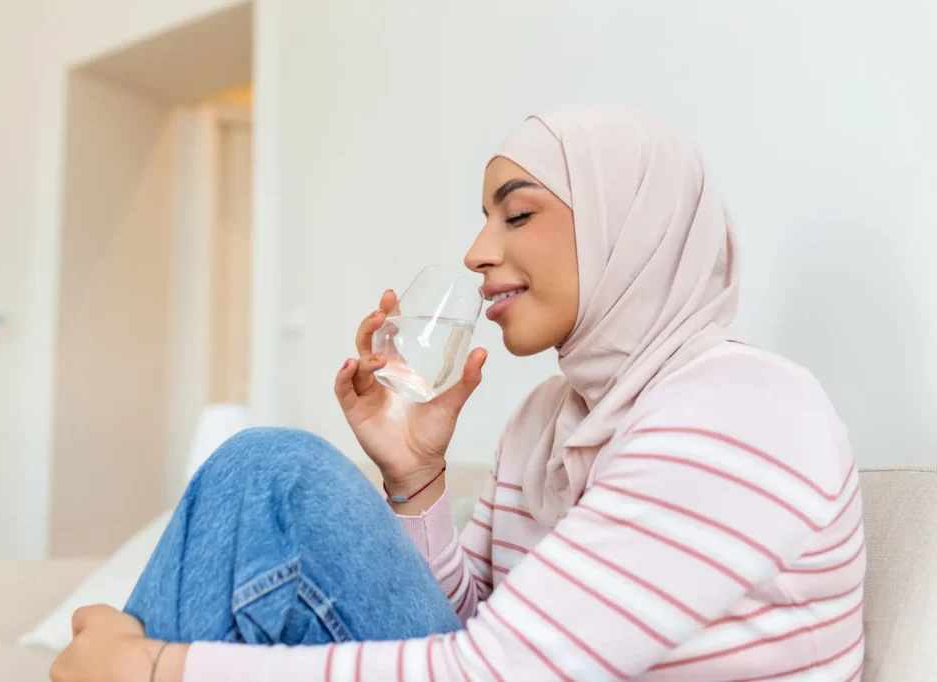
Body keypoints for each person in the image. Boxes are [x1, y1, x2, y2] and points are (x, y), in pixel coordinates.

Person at [51, 108, 865, 682]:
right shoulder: (548, 418)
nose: (479, 251)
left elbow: (495, 670)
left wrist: (158, 668)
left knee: (274, 473)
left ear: (631, 226)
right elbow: (473, 619)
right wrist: (416, 478)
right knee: (258, 468)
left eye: (517, 215)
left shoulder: (741, 410)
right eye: (484, 219)